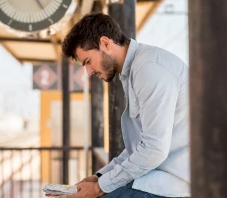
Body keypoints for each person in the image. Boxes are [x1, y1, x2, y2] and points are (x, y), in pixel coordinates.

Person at [61, 13, 190, 198]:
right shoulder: (132, 71)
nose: (89, 72)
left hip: (172, 184)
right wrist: (99, 177)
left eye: (88, 62)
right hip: (155, 177)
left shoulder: (149, 68)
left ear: (105, 43)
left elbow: (153, 150)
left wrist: (99, 188)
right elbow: (138, 147)